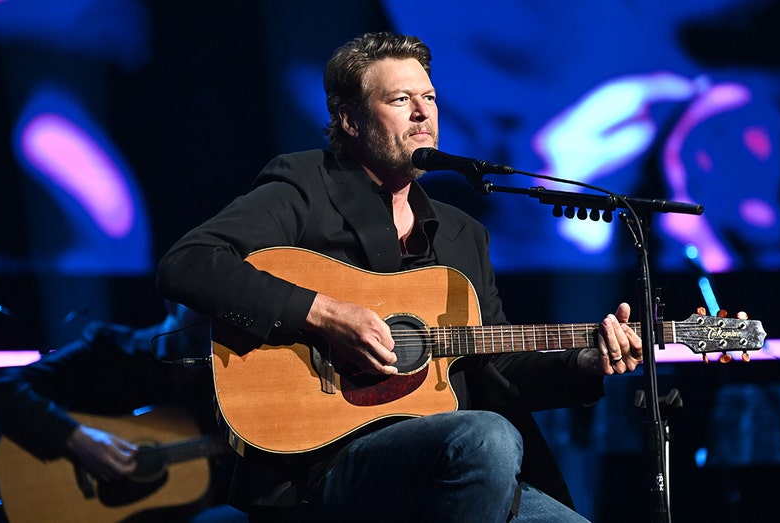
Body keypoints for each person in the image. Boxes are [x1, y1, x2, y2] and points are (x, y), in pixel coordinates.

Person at [156, 31, 643, 522]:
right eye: (400, 99)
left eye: (429, 97)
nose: (423, 112)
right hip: (324, 461)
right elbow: (189, 263)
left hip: (451, 460)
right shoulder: (304, 186)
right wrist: (325, 315)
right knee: (488, 435)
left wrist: (582, 362)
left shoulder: (462, 234)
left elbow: (497, 370)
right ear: (349, 119)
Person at [0, 302, 248, 522]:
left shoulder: (231, 384)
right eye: (202, 311)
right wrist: (78, 439)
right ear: (170, 304)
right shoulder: (109, 349)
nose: (213, 321)